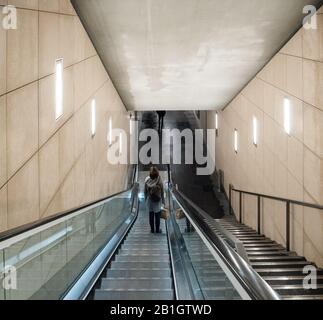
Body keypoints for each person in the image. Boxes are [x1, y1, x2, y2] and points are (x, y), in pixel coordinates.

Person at [145, 167, 165, 233]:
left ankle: (152, 230)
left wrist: (145, 199)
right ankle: (157, 230)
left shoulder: (147, 180)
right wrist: (163, 201)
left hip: (150, 200)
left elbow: (145, 191)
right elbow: (162, 192)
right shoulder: (159, 180)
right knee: (157, 216)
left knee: (151, 215)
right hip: (157, 201)